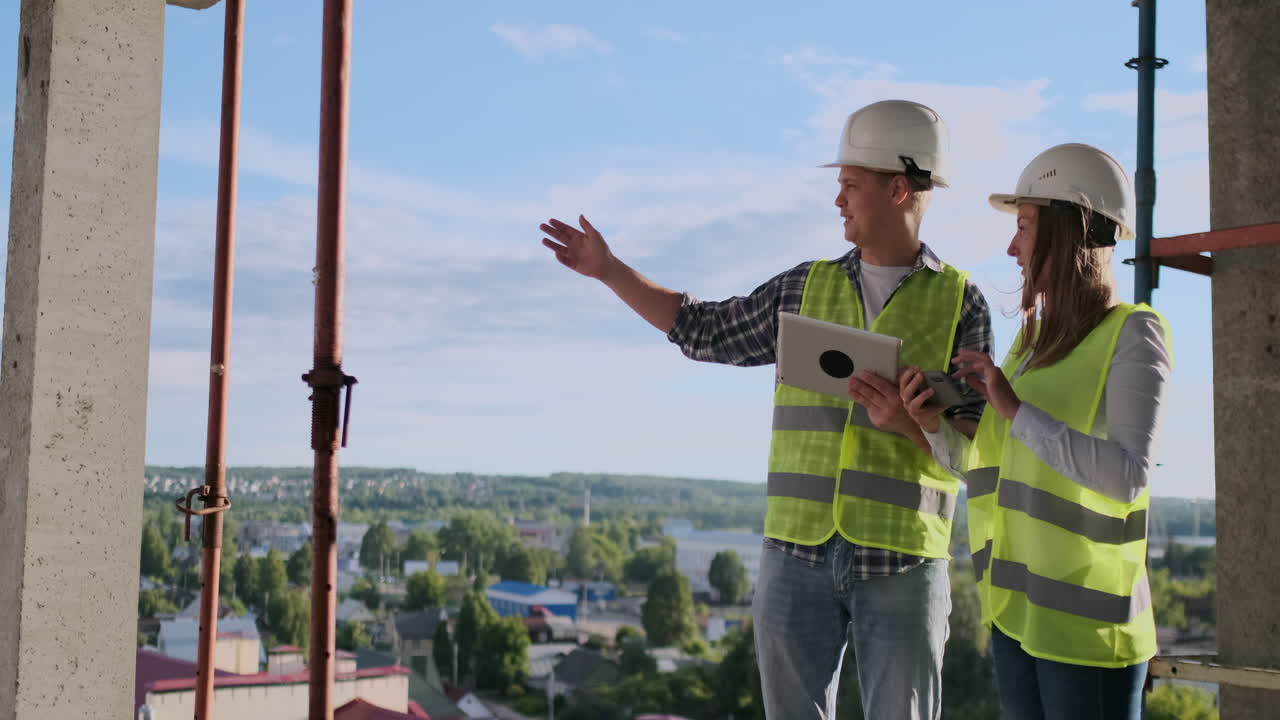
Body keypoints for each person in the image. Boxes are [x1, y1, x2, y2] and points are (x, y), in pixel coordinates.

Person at [539, 99, 992, 719]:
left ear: (897, 190)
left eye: (851, 185)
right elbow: (702, 329)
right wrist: (609, 270)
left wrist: (916, 425)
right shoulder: (802, 288)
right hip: (794, 553)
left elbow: (981, 456)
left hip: (903, 560)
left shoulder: (962, 303)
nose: (837, 199)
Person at [899, 143, 1173, 720]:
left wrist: (1015, 408)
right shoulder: (1030, 344)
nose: (1012, 247)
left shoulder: (1134, 334)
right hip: (1017, 615)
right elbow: (997, 467)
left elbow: (1128, 477)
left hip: (1089, 633)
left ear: (1069, 232)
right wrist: (933, 427)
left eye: (1024, 226)